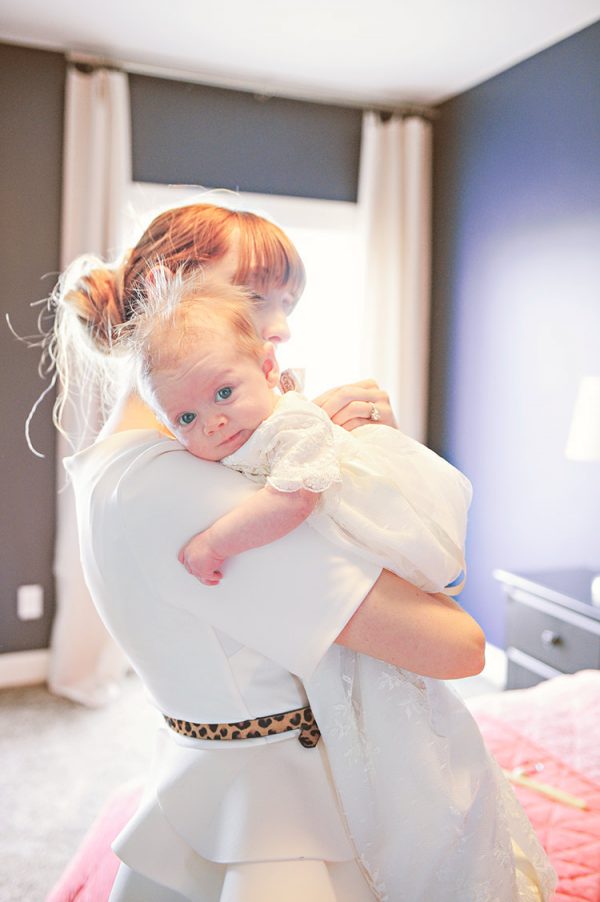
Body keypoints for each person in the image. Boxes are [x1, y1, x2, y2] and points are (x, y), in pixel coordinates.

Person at [49, 202, 554, 901]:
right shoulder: (183, 490)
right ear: (168, 288)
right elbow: (459, 647)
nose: (282, 326)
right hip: (279, 824)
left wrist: (370, 462)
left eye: (288, 303)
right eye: (257, 296)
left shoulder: (122, 464)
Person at [129, 271, 470, 594]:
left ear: (267, 368)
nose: (212, 423)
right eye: (187, 418)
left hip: (384, 528)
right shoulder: (215, 448)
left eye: (224, 393)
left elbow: (292, 501)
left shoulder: (292, 423)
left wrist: (213, 544)